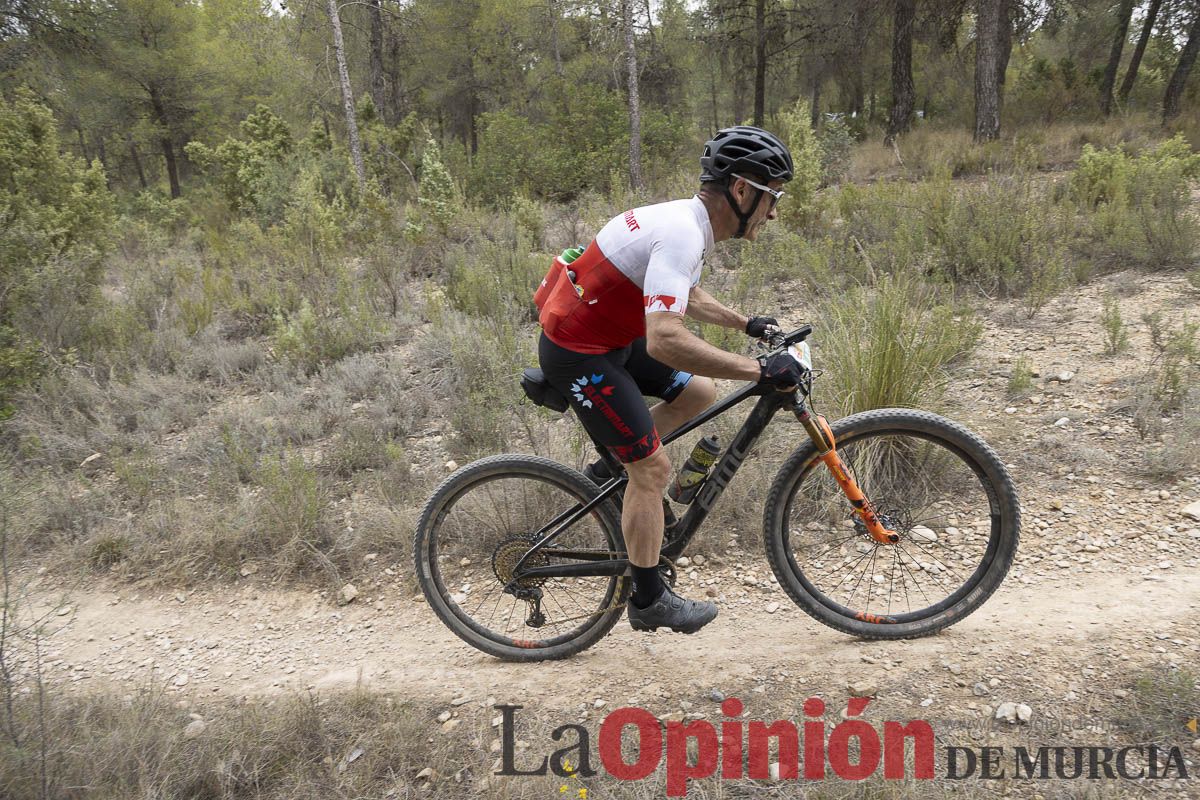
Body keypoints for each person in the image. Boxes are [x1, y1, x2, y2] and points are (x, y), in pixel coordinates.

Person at [533, 126, 810, 635]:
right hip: (579, 352)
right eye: (772, 197)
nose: (774, 213)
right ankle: (648, 598)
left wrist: (745, 324)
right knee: (653, 470)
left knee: (698, 392)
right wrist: (758, 369)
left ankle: (609, 470)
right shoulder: (683, 231)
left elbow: (685, 293)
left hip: (605, 336)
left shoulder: (687, 222)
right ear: (742, 190)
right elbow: (663, 339)